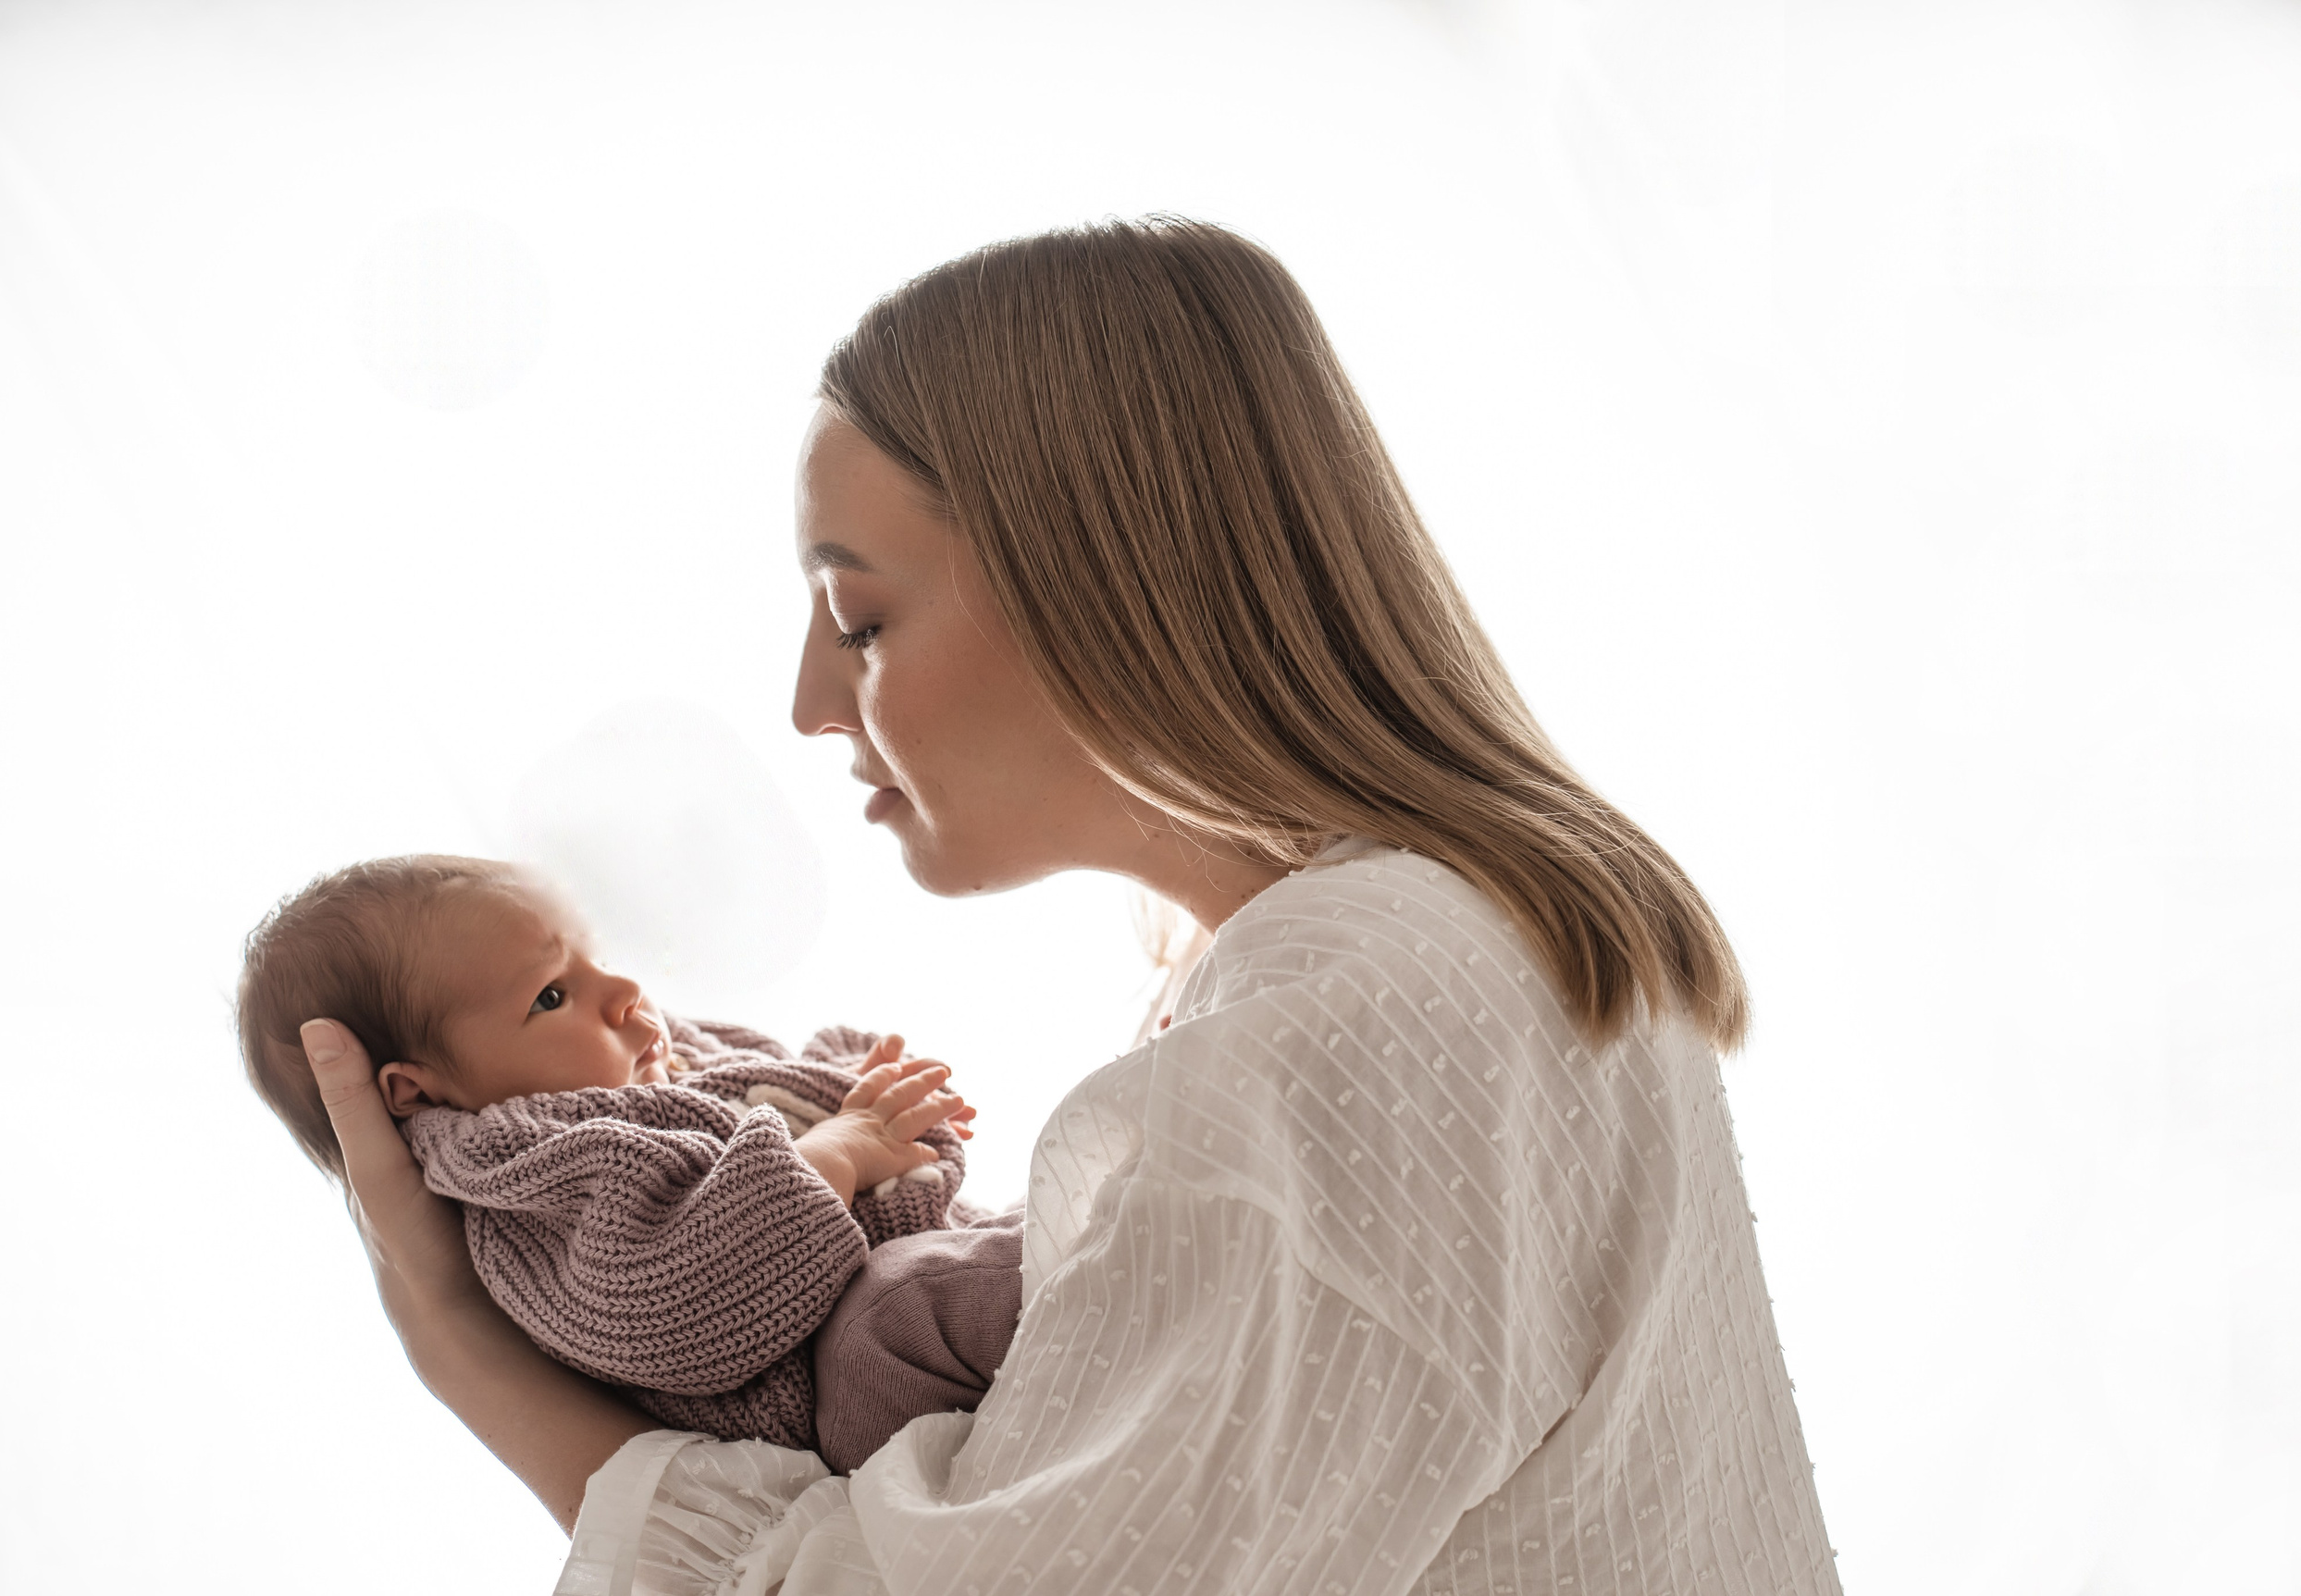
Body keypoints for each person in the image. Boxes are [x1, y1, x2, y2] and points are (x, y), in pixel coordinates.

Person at [303, 217, 1840, 1594]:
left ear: (1099, 581)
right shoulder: (1415, 949)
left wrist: (461, 1347)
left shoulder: (1348, 1036)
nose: (803, 701)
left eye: (860, 618)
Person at [239, 853, 1017, 1471]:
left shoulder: (645, 1056)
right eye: (551, 995)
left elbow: (763, 1088)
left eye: (595, 957)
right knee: (920, 1294)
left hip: (920, 1285)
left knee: (1020, 1230)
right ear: (417, 1089)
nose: (622, 991)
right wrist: (838, 1147)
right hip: (838, 1383)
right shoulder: (527, 1178)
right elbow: (686, 1301)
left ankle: (1088, 1257)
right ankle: (1095, 1266)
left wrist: (856, 1081)